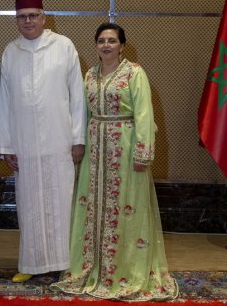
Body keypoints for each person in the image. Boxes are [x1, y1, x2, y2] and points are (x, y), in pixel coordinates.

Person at [51, 23, 178, 301]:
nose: (106, 45)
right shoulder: (90, 74)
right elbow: (82, 112)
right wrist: (78, 143)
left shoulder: (134, 73)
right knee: (93, 208)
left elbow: (144, 114)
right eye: (101, 41)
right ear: (96, 45)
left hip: (125, 150)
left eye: (111, 41)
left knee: (126, 209)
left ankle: (124, 272)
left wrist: (143, 152)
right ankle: (92, 268)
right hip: (95, 152)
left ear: (122, 45)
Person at [0, 0, 86, 283]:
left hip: (59, 140)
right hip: (24, 143)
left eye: (33, 15)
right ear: (16, 20)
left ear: (44, 17)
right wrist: (7, 145)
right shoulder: (11, 51)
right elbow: (5, 102)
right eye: (22, 16)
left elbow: (77, 96)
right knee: (29, 205)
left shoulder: (63, 46)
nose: (28, 21)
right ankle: (31, 263)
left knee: (61, 201)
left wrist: (78, 138)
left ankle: (64, 263)